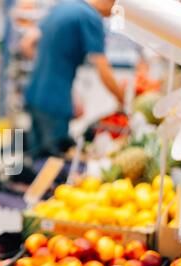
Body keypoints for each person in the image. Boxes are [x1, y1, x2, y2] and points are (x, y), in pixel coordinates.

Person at [21, 0, 125, 158]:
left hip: (34, 93)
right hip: (55, 102)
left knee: (36, 159)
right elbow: (102, 67)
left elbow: (26, 44)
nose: (112, 15)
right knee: (53, 163)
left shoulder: (63, 6)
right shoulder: (91, 18)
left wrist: (50, 67)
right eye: (115, 9)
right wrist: (121, 98)